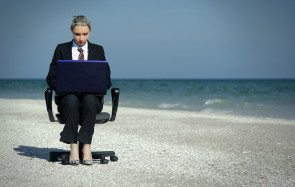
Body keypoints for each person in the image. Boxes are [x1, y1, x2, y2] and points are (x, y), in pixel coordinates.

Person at [46, 15, 112, 165]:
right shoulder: (61, 49)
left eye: (85, 34)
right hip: (67, 98)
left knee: (89, 99)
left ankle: (86, 146)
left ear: (90, 32)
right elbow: (51, 78)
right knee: (71, 100)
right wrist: (63, 86)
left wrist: (98, 86)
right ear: (71, 32)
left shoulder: (98, 50)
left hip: (92, 99)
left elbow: (107, 80)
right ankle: (73, 147)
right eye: (77, 34)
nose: (81, 38)